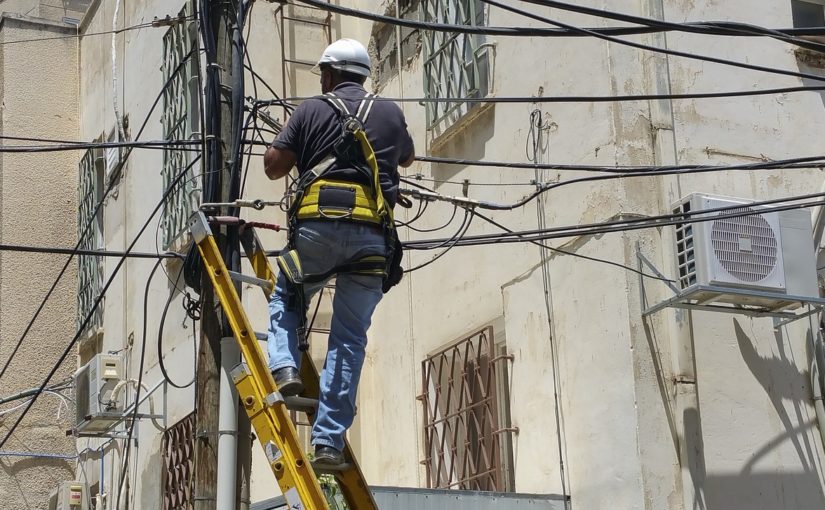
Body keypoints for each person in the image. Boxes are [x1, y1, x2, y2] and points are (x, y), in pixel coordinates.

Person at [263, 38, 415, 465]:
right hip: (372, 240)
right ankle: (329, 441)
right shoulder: (389, 112)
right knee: (349, 340)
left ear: (329, 75)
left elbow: (274, 166)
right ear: (364, 76)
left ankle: (285, 366)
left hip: (318, 230)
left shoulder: (311, 109)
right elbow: (406, 158)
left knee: (288, 293)